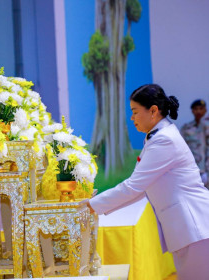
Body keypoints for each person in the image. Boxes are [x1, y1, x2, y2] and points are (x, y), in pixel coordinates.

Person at [87, 84, 209, 280]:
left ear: (153, 111)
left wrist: (90, 205)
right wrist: (95, 207)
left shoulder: (164, 140)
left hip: (195, 225)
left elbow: (133, 187)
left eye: (135, 112)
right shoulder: (157, 137)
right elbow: (140, 189)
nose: (132, 118)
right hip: (189, 228)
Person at [180, 99, 208, 187]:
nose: (198, 111)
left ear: (205, 110)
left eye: (201, 108)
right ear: (192, 111)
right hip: (193, 171)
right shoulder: (186, 128)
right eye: (196, 109)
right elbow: (181, 150)